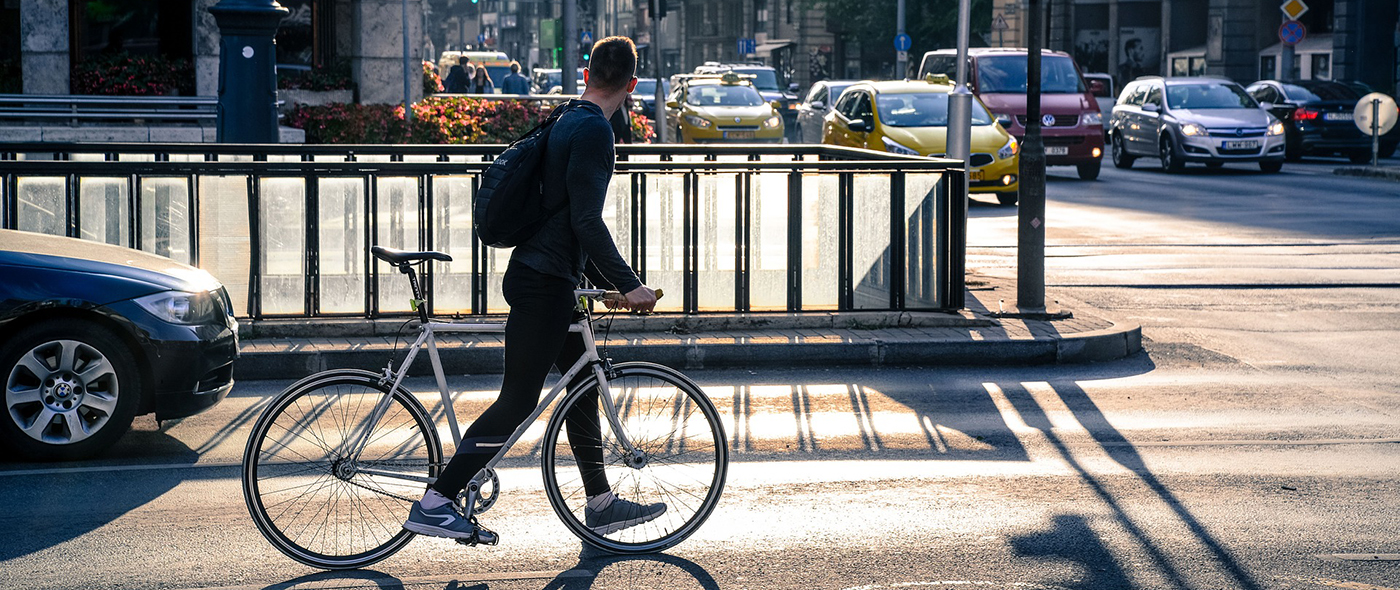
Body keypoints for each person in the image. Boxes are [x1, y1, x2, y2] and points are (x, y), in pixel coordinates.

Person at [403, 36, 662, 543]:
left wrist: (592, 285)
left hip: (553, 278)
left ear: (587, 73)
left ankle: (600, 501)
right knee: (518, 399)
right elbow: (586, 220)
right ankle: (437, 501)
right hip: (543, 282)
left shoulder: (568, 116)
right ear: (632, 85)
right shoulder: (593, 132)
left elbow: (561, 216)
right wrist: (629, 285)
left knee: (581, 387)